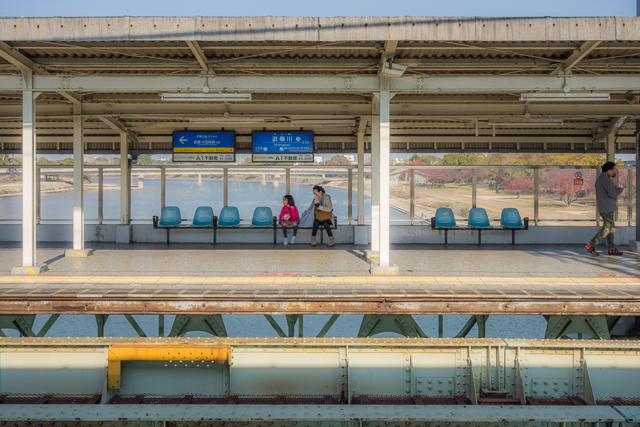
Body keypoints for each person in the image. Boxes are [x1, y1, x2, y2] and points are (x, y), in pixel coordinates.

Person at [585, 161, 625, 256]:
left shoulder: (599, 179)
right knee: (607, 229)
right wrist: (620, 190)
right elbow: (612, 194)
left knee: (611, 229)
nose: (613, 172)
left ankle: (611, 248)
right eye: (613, 169)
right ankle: (591, 244)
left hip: (603, 207)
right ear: (609, 169)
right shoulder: (607, 180)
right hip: (607, 208)